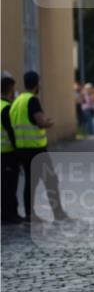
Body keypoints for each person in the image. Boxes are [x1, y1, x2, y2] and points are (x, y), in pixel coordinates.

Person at [9, 71, 68, 222]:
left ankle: (30, 215)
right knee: (51, 180)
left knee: (30, 182)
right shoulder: (32, 100)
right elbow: (40, 121)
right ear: (36, 84)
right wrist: (48, 122)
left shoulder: (17, 101)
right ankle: (58, 213)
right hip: (36, 149)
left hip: (21, 149)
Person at [1, 74, 21, 223]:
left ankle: (6, 214)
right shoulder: (6, 108)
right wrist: (18, 150)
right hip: (7, 153)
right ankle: (10, 215)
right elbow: (11, 132)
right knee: (10, 185)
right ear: (10, 90)